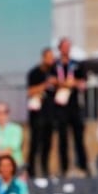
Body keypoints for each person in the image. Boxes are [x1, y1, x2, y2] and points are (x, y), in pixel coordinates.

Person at [52, 39, 86, 174]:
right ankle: (64, 167)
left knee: (78, 137)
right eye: (63, 47)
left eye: (68, 46)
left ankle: (82, 166)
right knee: (63, 139)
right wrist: (65, 83)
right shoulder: (55, 65)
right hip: (60, 106)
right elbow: (51, 81)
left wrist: (72, 83)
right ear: (60, 48)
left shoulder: (77, 64)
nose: (66, 49)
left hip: (74, 105)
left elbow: (82, 83)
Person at [25, 48, 56, 177]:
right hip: (37, 115)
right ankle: (31, 170)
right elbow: (30, 91)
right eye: (49, 57)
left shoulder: (54, 72)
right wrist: (45, 85)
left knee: (48, 144)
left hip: (50, 114)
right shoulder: (34, 73)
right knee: (35, 143)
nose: (51, 60)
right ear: (43, 57)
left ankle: (45, 169)